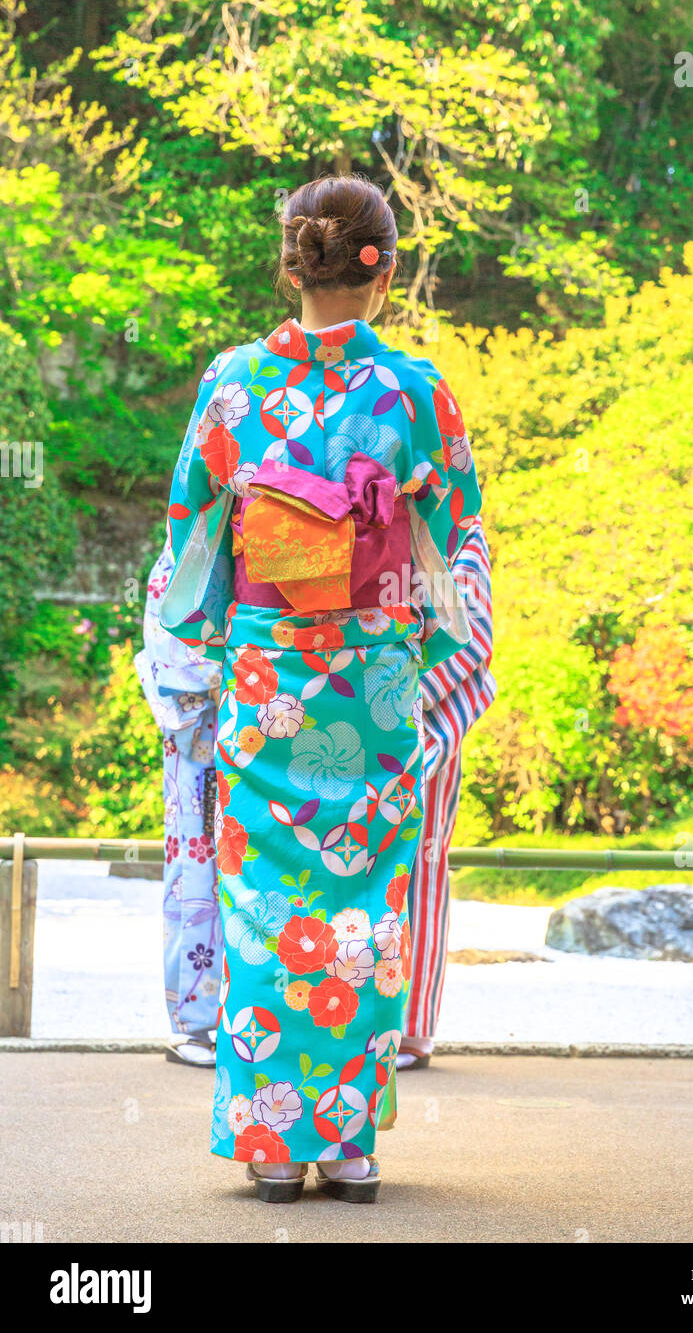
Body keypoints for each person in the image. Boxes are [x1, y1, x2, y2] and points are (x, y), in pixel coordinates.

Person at [158, 173, 483, 1204]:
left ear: (292, 263)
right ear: (380, 272)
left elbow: (190, 537)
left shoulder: (232, 385)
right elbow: (456, 541)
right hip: (374, 681)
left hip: (269, 675)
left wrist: (210, 645)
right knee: (364, 907)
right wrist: (428, 653)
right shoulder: (416, 392)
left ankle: (270, 1145)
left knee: (262, 903)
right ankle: (348, 1147)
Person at [399, 520, 495, 1068]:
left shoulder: (453, 531)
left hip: (424, 713)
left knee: (424, 864)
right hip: (356, 700)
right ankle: (363, 1021)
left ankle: (411, 1027)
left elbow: (465, 636)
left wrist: (400, 696)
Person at [135, 546, 222, 1066]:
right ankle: (193, 1021)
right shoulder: (184, 549)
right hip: (202, 734)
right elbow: (164, 640)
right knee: (197, 871)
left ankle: (245, 1014)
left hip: (261, 717)